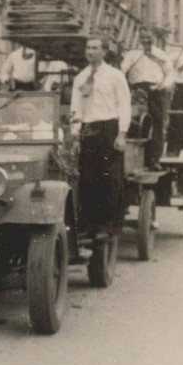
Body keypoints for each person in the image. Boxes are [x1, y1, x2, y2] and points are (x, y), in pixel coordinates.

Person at [70, 37, 131, 238]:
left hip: (109, 128)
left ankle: (109, 224)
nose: (91, 51)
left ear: (104, 52)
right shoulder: (81, 77)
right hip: (89, 129)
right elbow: (75, 108)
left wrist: (121, 134)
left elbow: (124, 105)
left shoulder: (115, 76)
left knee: (109, 177)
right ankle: (89, 224)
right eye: (88, 48)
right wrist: (75, 136)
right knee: (87, 178)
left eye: (95, 48)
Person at [120, 28, 175, 169]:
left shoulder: (160, 54)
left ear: (153, 38)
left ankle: (154, 160)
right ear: (139, 38)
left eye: (148, 38)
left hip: (156, 91)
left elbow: (170, 74)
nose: (146, 40)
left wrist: (162, 86)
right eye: (143, 38)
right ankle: (129, 158)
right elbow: (122, 71)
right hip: (136, 90)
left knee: (157, 124)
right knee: (132, 121)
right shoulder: (132, 54)